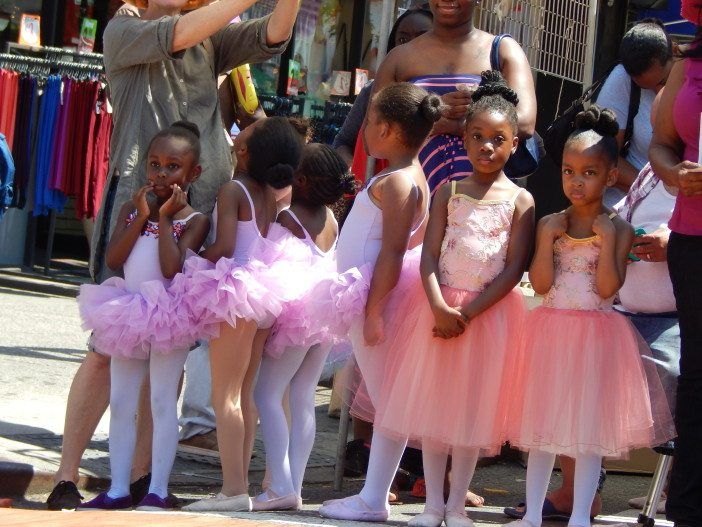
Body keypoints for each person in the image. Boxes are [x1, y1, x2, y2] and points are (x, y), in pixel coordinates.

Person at [47, 0, 298, 510]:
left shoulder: (211, 38)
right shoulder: (124, 28)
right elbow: (179, 31)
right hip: (136, 211)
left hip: (195, 215)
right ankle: (66, 476)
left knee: (169, 349)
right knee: (108, 351)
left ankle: (145, 479)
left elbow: (275, 31)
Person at [347, 71, 534, 527]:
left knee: (472, 415)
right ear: (464, 138)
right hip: (435, 312)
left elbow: (513, 269)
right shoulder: (447, 190)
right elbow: (427, 256)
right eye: (477, 137)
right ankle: (432, 506)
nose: (486, 147)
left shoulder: (522, 200)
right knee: (432, 410)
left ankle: (455, 507)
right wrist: (438, 306)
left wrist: (466, 313)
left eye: (498, 139)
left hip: (485, 317)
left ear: (513, 145)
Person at [506, 106, 675, 527]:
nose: (577, 182)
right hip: (550, 328)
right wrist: (545, 239)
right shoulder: (550, 222)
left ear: (611, 174)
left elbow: (608, 289)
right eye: (568, 171)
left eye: (589, 173)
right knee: (542, 425)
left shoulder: (617, 227)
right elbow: (542, 285)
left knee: (588, 430)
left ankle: (581, 513)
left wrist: (601, 239)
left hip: (596, 334)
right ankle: (532, 512)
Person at [314, 82, 437, 522]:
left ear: (384, 128)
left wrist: (373, 312)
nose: (363, 129)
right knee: (389, 400)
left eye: (367, 121)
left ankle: (373, 498)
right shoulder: (404, 177)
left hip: (376, 299)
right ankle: (373, 495)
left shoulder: (400, 182)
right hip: (371, 295)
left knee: (389, 401)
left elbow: (392, 250)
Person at [76, 122, 211, 510]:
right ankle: (118, 487)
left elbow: (170, 267)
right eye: (154, 165)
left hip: (170, 316)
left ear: (193, 174)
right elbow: (114, 260)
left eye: (172, 167)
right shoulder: (131, 209)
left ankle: (158, 490)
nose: (161, 174)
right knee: (121, 400)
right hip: (128, 313)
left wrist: (164, 218)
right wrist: (140, 215)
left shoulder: (196, 219)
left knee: (162, 401)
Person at [180, 117, 303, 512]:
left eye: (243, 136)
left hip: (236, 292)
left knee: (225, 395)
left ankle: (232, 490)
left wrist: (192, 258)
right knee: (243, 393)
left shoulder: (233, 189)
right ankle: (238, 484)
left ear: (246, 151)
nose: (237, 135)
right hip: (262, 294)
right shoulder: (269, 192)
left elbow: (227, 244)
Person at [252, 144, 356, 511]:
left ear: (301, 179)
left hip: (298, 315)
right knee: (303, 396)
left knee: (266, 393)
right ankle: (293, 484)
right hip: (327, 316)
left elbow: (272, 266)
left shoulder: (288, 218)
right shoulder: (332, 219)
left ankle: (279, 484)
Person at [371, 0, 536, 192]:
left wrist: (456, 125)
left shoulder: (502, 50)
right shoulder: (398, 59)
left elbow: (525, 123)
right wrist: (431, 116)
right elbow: (373, 136)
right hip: (413, 200)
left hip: (484, 203)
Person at [649, 2, 702, 524]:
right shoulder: (689, 63)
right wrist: (675, 173)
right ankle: (687, 508)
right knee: (697, 375)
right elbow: (662, 146)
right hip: (694, 238)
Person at [333, 7, 433, 167]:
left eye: (423, 38)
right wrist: (354, 170)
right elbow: (343, 142)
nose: (411, 47)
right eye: (403, 40)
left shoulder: (452, 91)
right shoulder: (372, 91)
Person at [596, 19, 673, 206]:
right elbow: (604, 157)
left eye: (662, 82)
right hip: (625, 206)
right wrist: (659, 196)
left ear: (675, 53)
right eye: (646, 87)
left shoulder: (691, 77)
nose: (658, 93)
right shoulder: (621, 79)